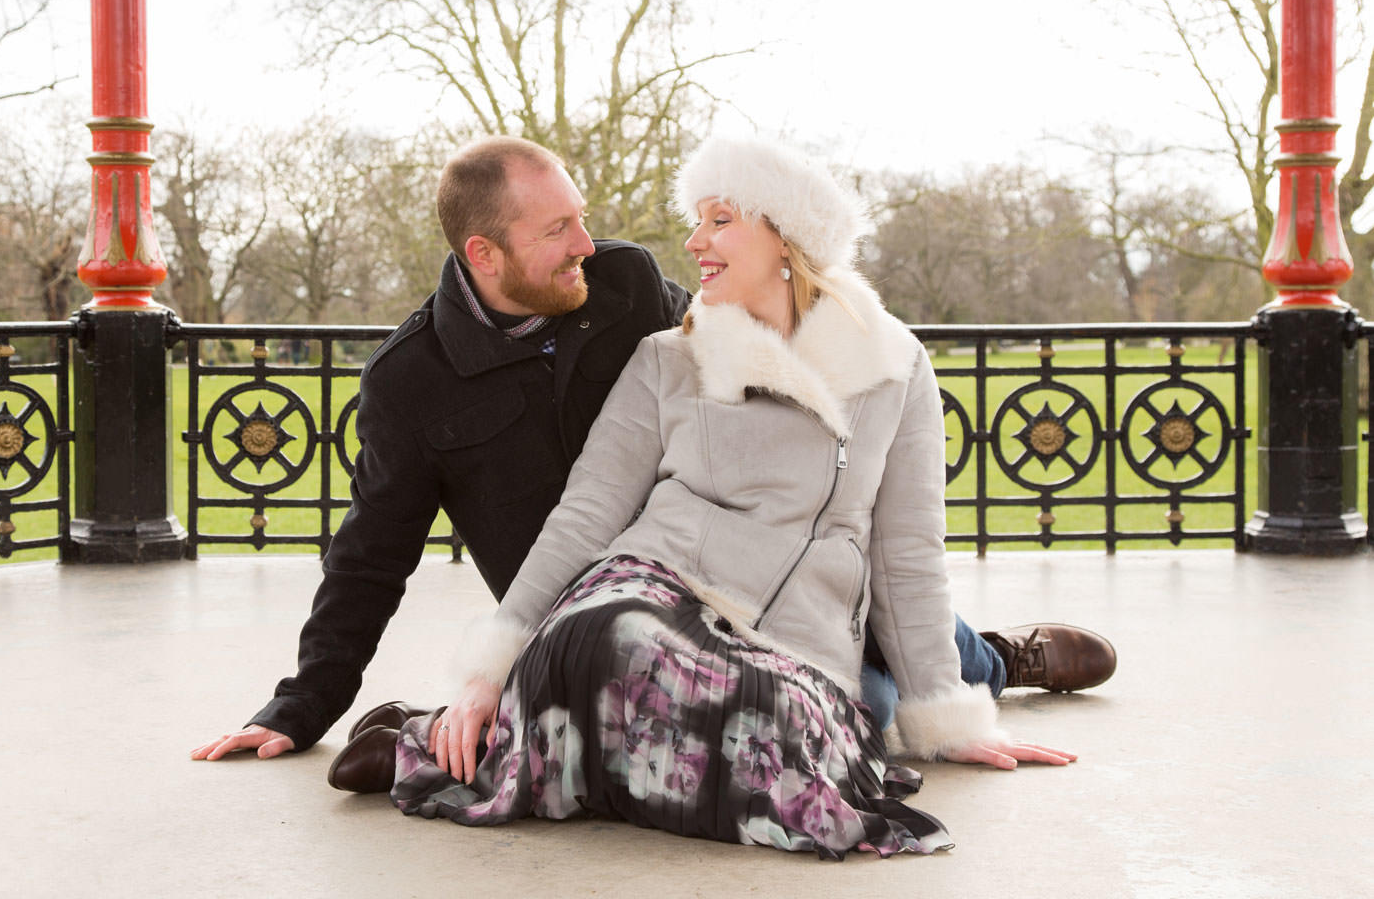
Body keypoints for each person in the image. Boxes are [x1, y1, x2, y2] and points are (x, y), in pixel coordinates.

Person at [190, 135, 1114, 771]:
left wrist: (847, 375)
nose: (587, 245)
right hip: (591, 613)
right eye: (557, 232)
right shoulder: (409, 383)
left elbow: (740, 336)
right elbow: (370, 555)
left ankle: (991, 659)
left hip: (759, 575)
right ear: (484, 252)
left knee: (871, 643)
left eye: (580, 219)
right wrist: (301, 706)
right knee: (828, 709)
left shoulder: (624, 285)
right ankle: (454, 722)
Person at [388, 136, 1080, 859]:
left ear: (787, 238)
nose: (694, 240)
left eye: (719, 220)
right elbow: (586, 516)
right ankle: (475, 722)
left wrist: (951, 721)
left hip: (797, 642)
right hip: (653, 595)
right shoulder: (667, 357)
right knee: (609, 634)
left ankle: (497, 737)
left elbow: (906, 552)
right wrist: (487, 668)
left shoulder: (894, 367)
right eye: (698, 220)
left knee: (804, 720)